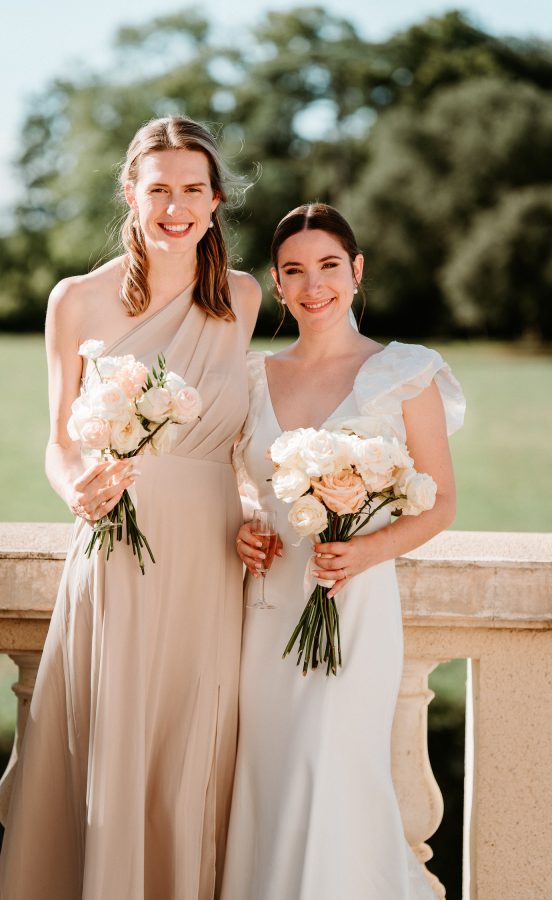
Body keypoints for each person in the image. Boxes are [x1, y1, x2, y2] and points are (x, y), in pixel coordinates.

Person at [0, 116, 261, 900]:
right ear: (131, 194)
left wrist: (255, 508)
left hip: (210, 557)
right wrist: (73, 486)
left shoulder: (241, 299)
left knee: (193, 749)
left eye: (192, 190)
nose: (174, 206)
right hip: (115, 550)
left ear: (215, 202)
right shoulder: (75, 300)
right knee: (109, 748)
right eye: (158, 190)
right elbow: (57, 441)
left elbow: (244, 436)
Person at [222, 203, 465, 900]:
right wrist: (242, 525)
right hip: (268, 610)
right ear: (277, 284)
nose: (314, 285)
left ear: (356, 272)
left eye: (329, 266)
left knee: (328, 765)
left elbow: (441, 501)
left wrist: (364, 554)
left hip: (354, 606)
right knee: (271, 774)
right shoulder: (251, 378)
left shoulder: (402, 372)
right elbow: (243, 491)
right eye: (294, 272)